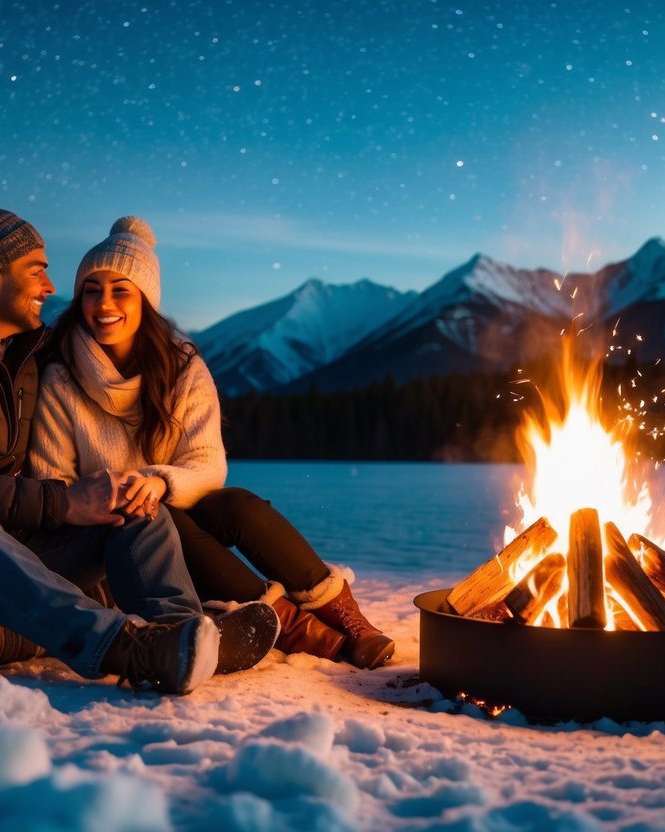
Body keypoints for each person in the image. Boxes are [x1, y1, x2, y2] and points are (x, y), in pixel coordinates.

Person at [0, 188, 275, 695]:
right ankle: (126, 648)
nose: (51, 284)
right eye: (36, 269)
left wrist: (116, 492)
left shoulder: (22, 353)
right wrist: (65, 503)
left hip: (0, 544)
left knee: (132, 506)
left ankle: (180, 636)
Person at [27, 216, 395, 669]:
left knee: (238, 505)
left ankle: (348, 620)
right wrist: (116, 495)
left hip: (173, 502)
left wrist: (159, 481)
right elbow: (52, 480)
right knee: (154, 514)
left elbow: (206, 462)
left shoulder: (181, 366)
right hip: (112, 535)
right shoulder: (62, 378)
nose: (104, 303)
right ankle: (306, 634)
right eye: (92, 288)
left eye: (120, 289)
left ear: (144, 299)